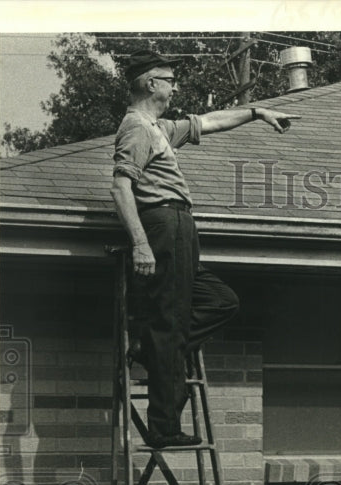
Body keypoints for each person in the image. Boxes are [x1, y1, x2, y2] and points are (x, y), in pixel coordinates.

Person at [111, 49, 299, 448]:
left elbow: (209, 121)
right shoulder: (137, 128)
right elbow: (121, 186)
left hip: (180, 227)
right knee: (170, 324)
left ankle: (150, 345)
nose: (175, 86)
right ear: (151, 83)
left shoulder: (159, 127)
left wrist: (257, 113)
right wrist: (141, 243)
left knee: (220, 300)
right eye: (169, 78)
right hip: (162, 224)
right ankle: (164, 426)